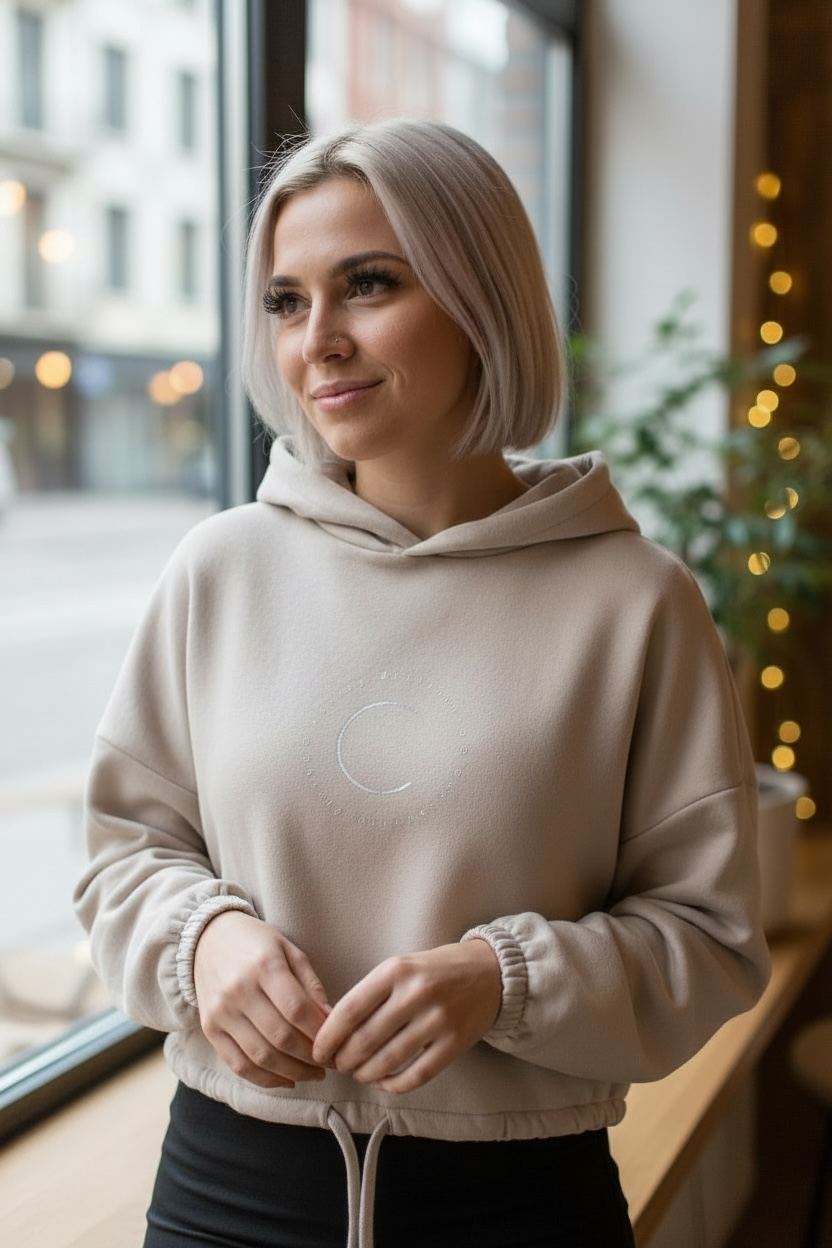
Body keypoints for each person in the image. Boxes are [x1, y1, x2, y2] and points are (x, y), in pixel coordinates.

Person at [75, 118, 770, 1248]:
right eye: (287, 301)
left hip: (517, 1205)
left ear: (479, 297)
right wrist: (202, 938)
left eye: (368, 285)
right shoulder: (221, 569)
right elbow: (123, 855)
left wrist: (503, 981)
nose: (320, 342)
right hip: (224, 1192)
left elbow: (709, 937)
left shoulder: (637, 601)